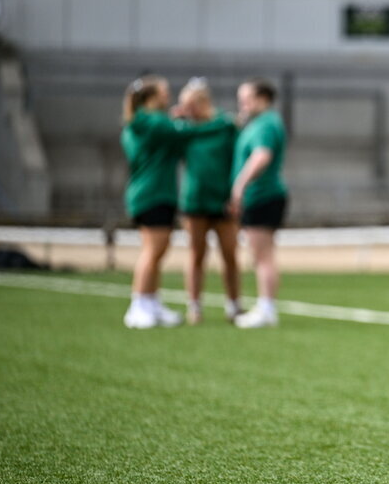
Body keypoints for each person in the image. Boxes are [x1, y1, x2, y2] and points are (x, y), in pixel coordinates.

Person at [120, 75, 230, 329]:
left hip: (147, 193)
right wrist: (222, 122)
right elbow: (193, 131)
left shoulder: (140, 122)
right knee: (153, 250)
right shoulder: (155, 123)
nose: (169, 97)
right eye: (164, 92)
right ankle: (138, 305)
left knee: (155, 249)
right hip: (154, 193)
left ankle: (151, 302)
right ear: (152, 97)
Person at [176, 78, 242, 325]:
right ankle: (194, 306)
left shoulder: (226, 127)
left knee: (230, 255)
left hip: (223, 200)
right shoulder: (184, 130)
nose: (186, 110)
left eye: (189, 104)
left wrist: (235, 195)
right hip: (195, 200)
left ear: (204, 102)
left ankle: (234, 306)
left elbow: (237, 160)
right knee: (196, 254)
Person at [229, 78, 289, 329]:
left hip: (262, 196)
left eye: (247, 98)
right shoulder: (261, 123)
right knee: (263, 255)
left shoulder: (265, 124)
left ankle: (266, 308)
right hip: (264, 196)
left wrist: (240, 185)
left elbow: (262, 156)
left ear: (263, 98)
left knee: (262, 256)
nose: (243, 104)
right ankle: (265, 306)